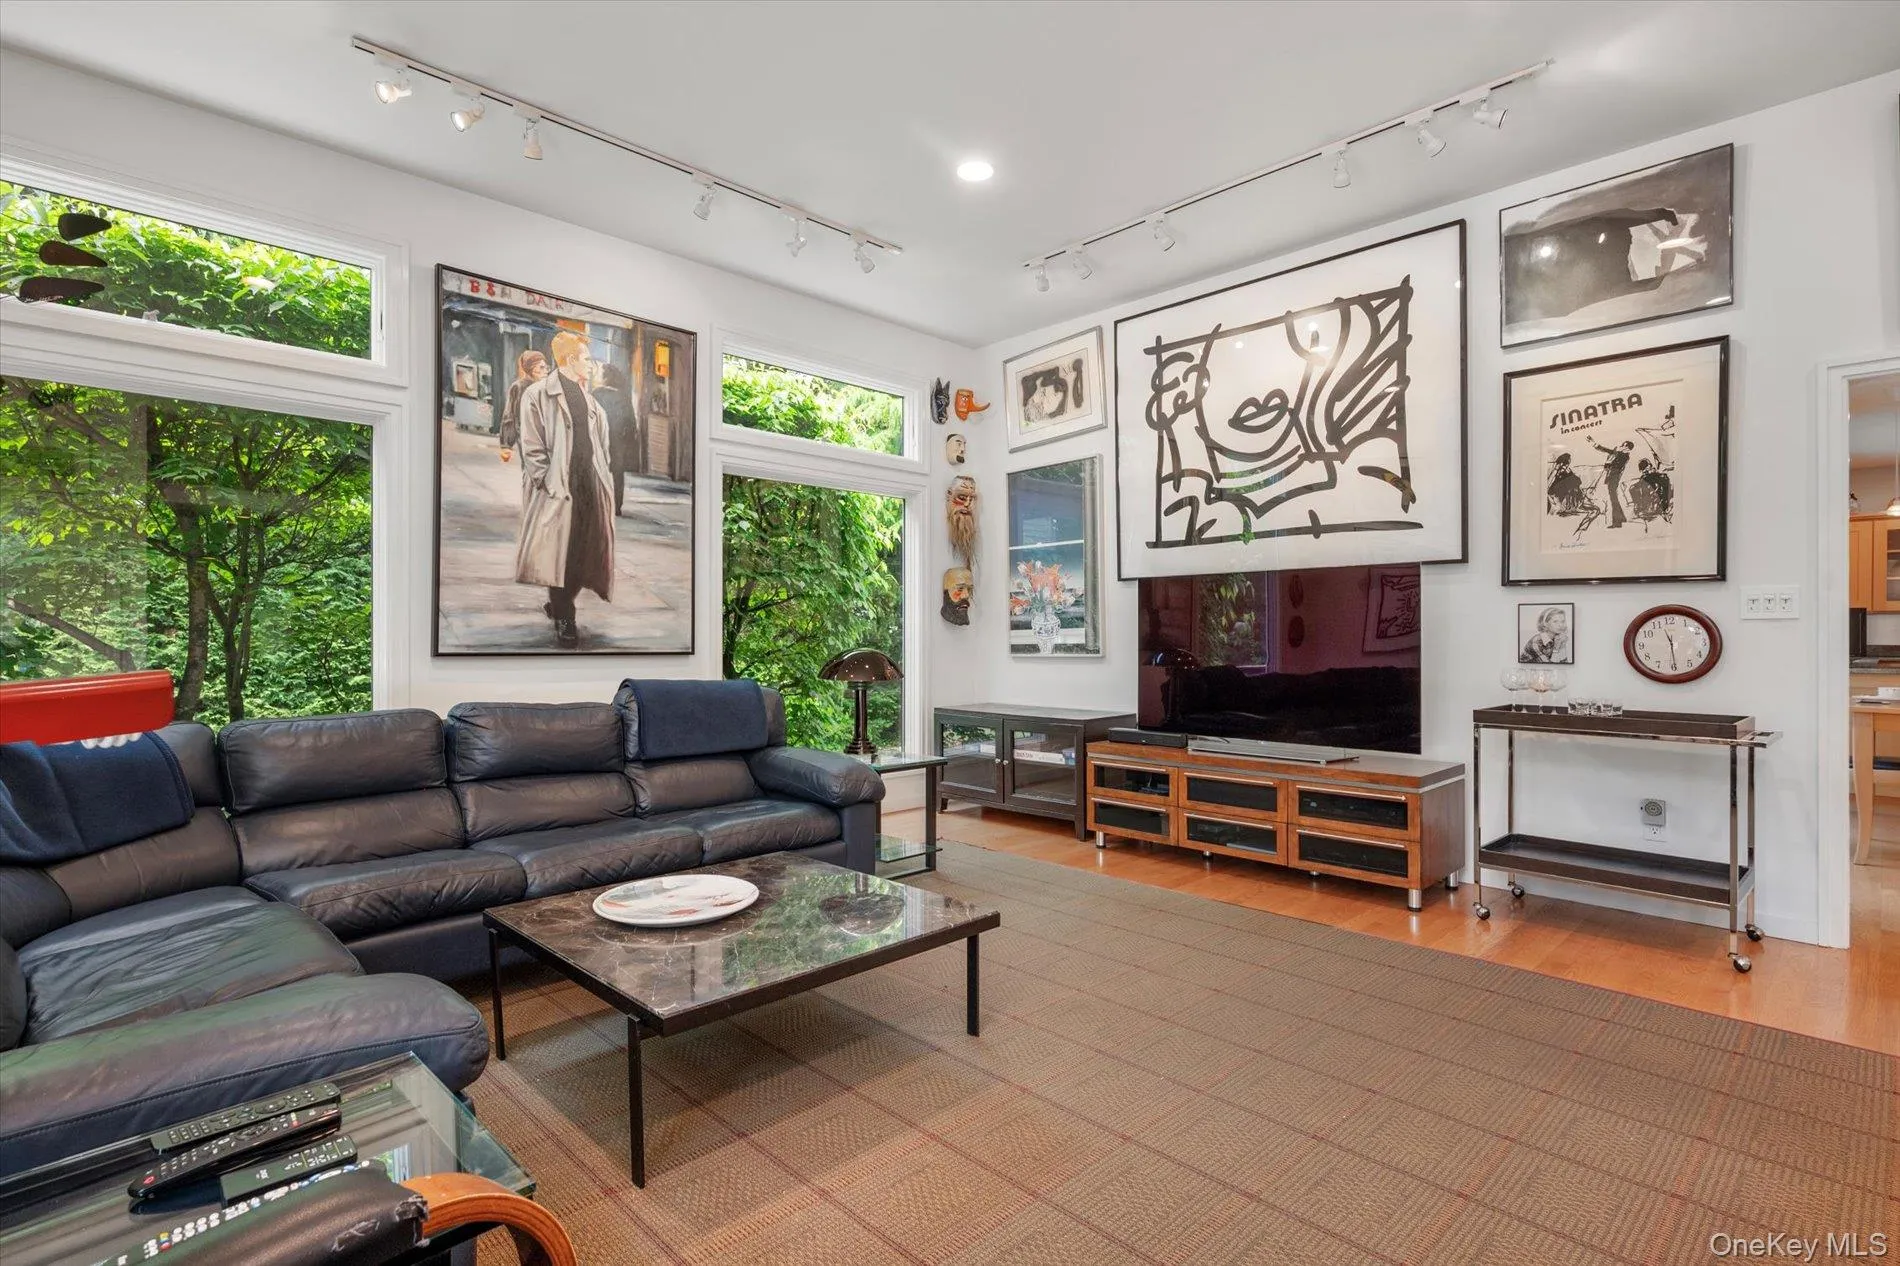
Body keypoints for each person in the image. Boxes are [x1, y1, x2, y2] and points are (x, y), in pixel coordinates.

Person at [514, 331, 615, 649]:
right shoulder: (538, 395)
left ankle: (559, 604)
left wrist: (603, 478)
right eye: (587, 357)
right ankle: (564, 616)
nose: (592, 363)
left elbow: (602, 446)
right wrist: (546, 482)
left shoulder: (591, 400)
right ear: (570, 360)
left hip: (588, 486)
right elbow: (532, 446)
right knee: (562, 553)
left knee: (584, 553)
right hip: (558, 488)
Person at [594, 362, 641, 517]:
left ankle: (599, 503)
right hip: (618, 440)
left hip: (599, 438)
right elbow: (631, 423)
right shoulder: (623, 397)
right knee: (617, 473)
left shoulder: (596, 394)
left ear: (605, 377)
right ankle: (616, 506)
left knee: (598, 470)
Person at [497, 349, 547, 451]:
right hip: (527, 439)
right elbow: (510, 415)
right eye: (541, 367)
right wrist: (506, 444)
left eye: (546, 367)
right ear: (531, 368)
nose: (546, 371)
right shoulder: (519, 387)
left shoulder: (545, 387)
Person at [1590, 438, 1635, 528]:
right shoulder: (1619, 453)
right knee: (1614, 498)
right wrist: (1594, 443)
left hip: (1614, 478)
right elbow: (1606, 450)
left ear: (1628, 448)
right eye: (1623, 444)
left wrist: (1608, 463)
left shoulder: (1624, 456)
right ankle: (1621, 518)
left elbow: (1615, 466)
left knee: (1613, 499)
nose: (1622, 446)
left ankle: (1617, 522)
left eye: (1624, 445)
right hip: (1612, 477)